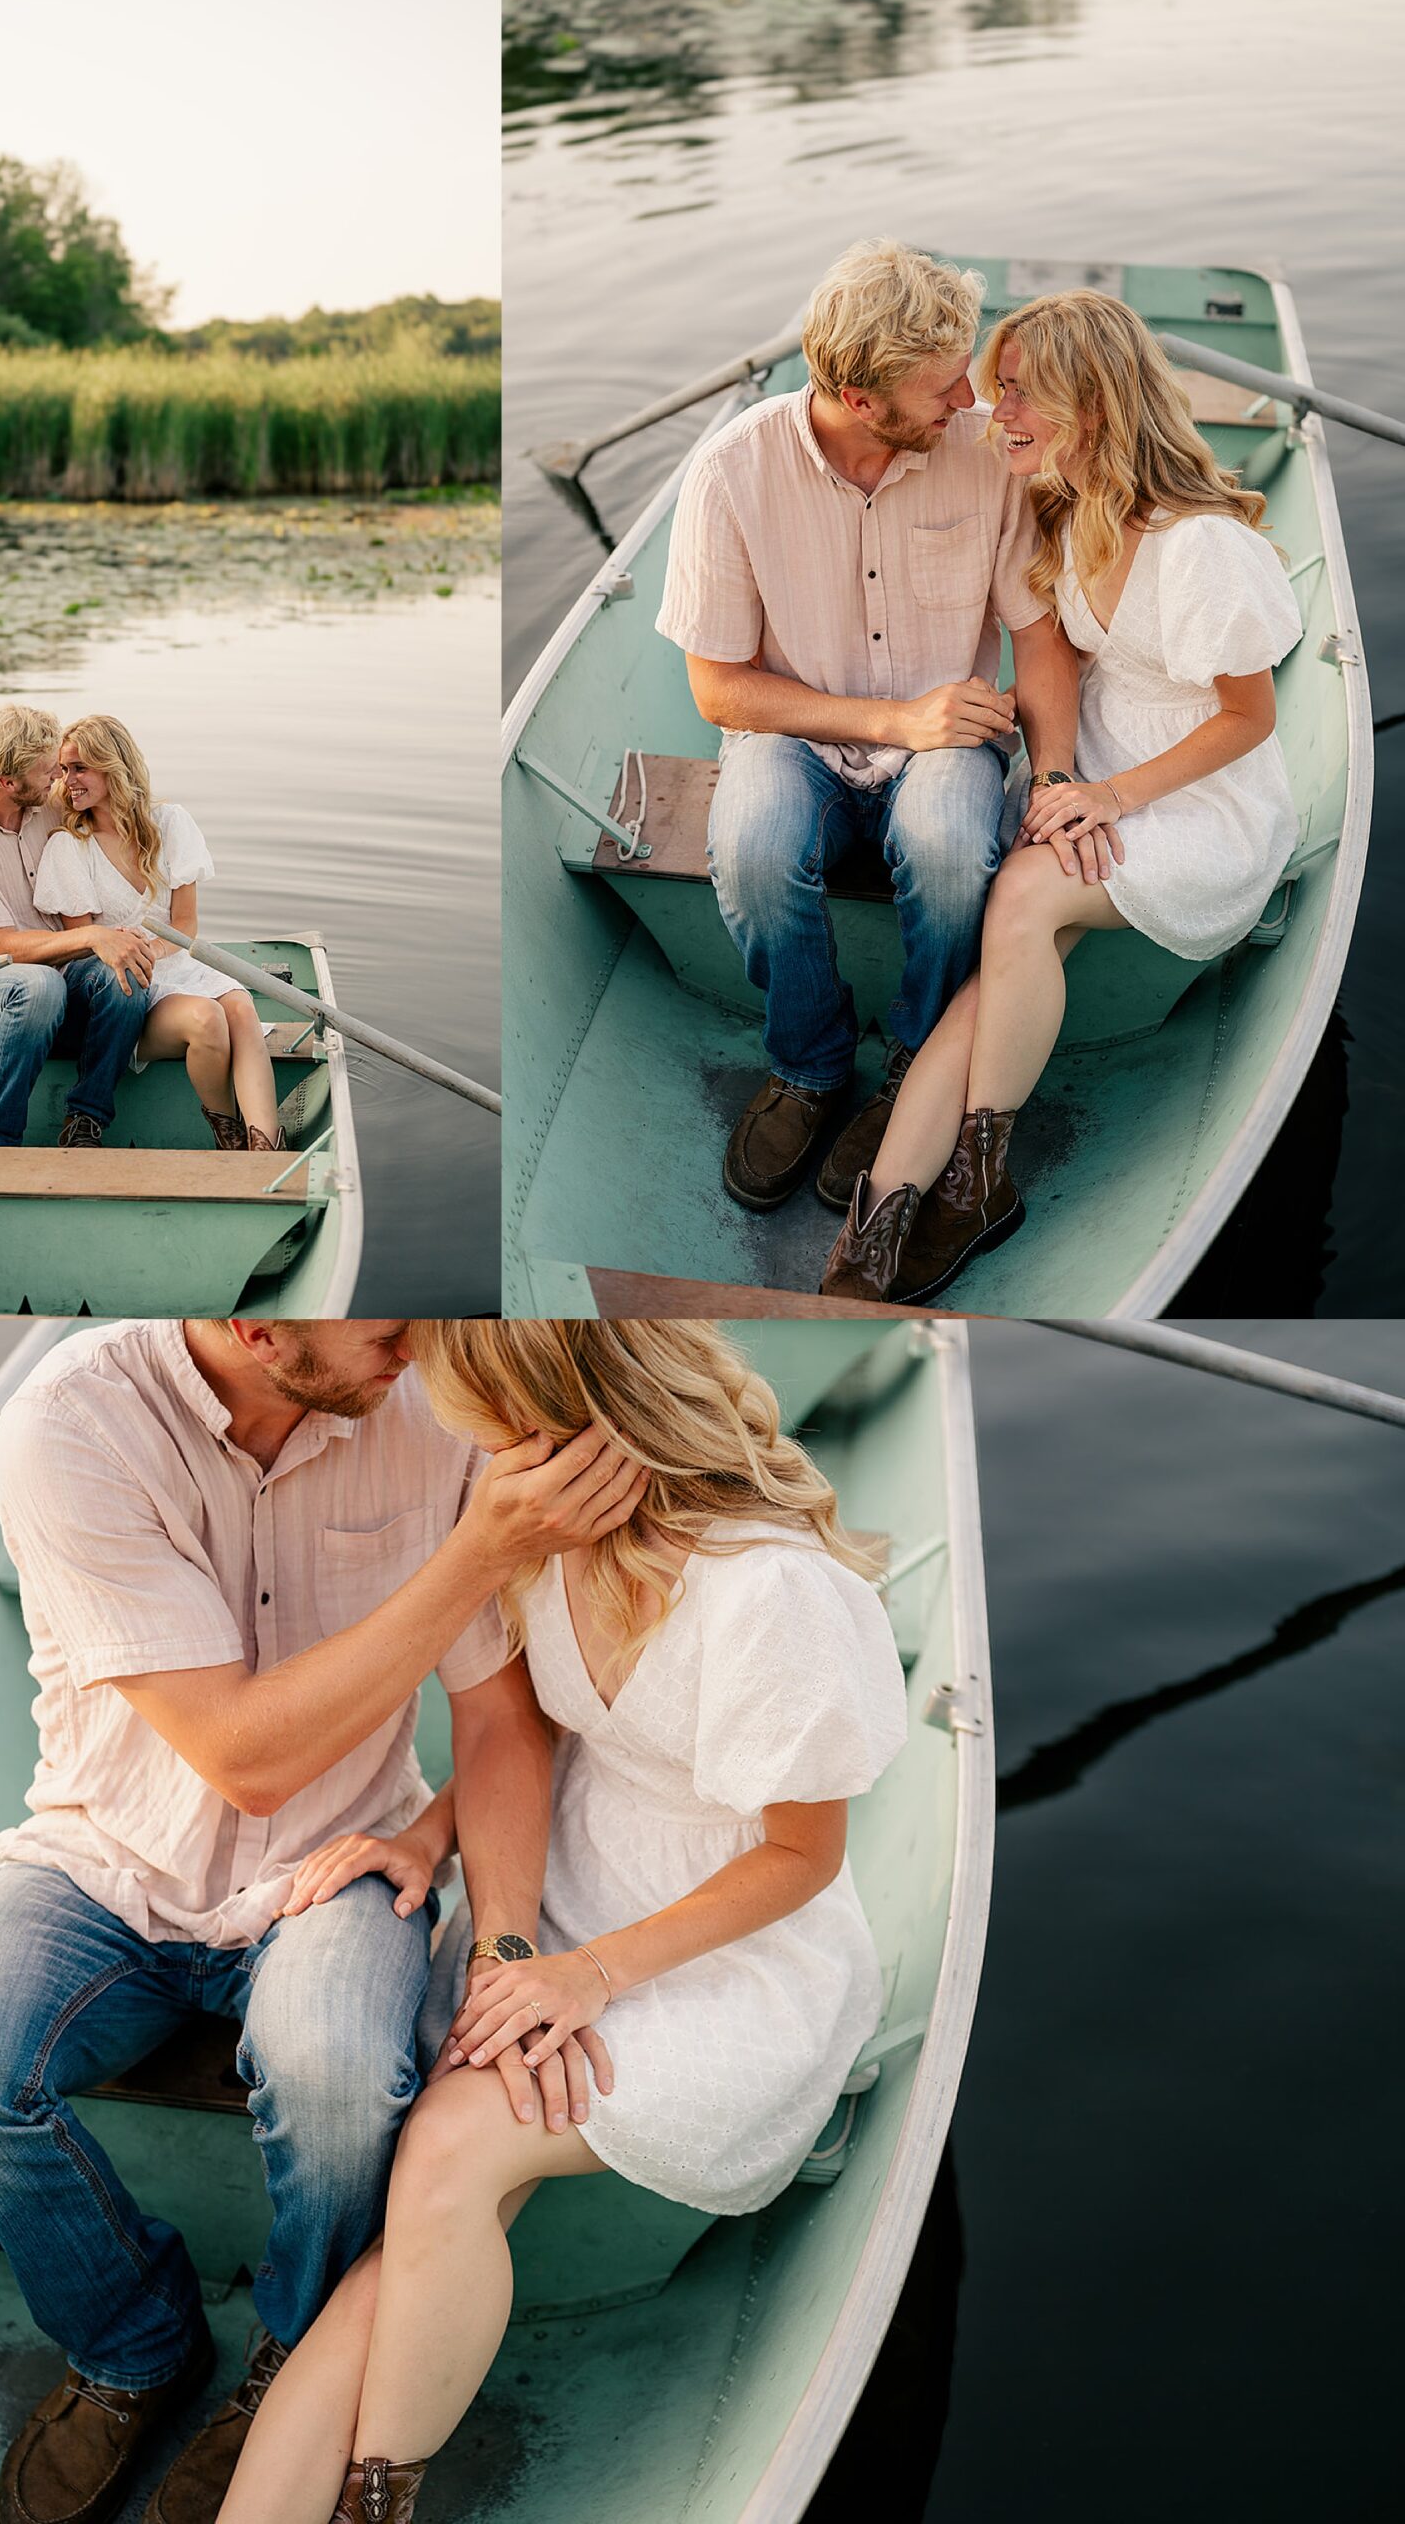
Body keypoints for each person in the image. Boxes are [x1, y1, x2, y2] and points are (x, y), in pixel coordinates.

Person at [0, 1317, 645, 2524]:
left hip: (337, 1864)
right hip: (101, 1864)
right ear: (255, 1327)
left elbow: (499, 1721)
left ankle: (292, 2358)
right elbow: (242, 1758)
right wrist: (477, 1552)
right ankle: (137, 2345)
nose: (420, 1344)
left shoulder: (431, 1402)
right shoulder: (73, 1423)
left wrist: (501, 1941)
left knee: (336, 2074)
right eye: (387, 1326)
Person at [218, 1318, 907, 2524]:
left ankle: (373, 2501)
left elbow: (800, 1858)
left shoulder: (767, 1591)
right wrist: (428, 1838)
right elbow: (546, 1734)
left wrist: (587, 1977)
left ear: (550, 1419)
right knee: (427, 2199)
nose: (438, 1427)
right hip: (557, 1890)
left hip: (721, 1953)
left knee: (444, 2148)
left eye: (465, 1408)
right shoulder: (535, 1526)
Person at [821, 290, 1305, 1302]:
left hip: (1196, 794)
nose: (994, 413)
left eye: (1016, 394)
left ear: (1089, 405)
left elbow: (1247, 722)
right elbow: (1071, 662)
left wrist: (1110, 797)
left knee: (1025, 899)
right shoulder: (1062, 503)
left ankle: (977, 1183)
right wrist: (1039, 750)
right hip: (1093, 766)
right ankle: (869, 1240)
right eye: (995, 390)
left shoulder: (1197, 545)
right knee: (999, 963)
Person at [656, 238, 1080, 1218]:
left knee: (942, 845)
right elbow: (719, 689)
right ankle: (807, 1065)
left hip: (951, 741)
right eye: (943, 389)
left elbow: (1042, 641)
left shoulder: (985, 462)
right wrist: (890, 718)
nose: (971, 405)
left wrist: (1052, 778)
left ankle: (913, 1064)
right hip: (792, 733)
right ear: (859, 395)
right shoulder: (731, 471)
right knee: (753, 846)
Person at [33, 716, 283, 1152]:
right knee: (208, 1019)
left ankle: (265, 1149)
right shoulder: (68, 847)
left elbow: (185, 924)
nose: (66, 781)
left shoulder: (170, 823)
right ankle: (227, 1132)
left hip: (176, 964)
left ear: (113, 766)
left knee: (240, 1007)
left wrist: (152, 947)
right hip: (126, 993)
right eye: (64, 769)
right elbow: (84, 946)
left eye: (79, 768)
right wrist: (136, 957)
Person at [0, 703, 160, 1148]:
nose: (60, 779)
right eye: (50, 771)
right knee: (37, 986)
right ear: (10, 782)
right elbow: (2, 947)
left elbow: (117, 809)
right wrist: (90, 935)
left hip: (64, 975)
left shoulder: (48, 804)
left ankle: (85, 1120)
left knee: (125, 972)